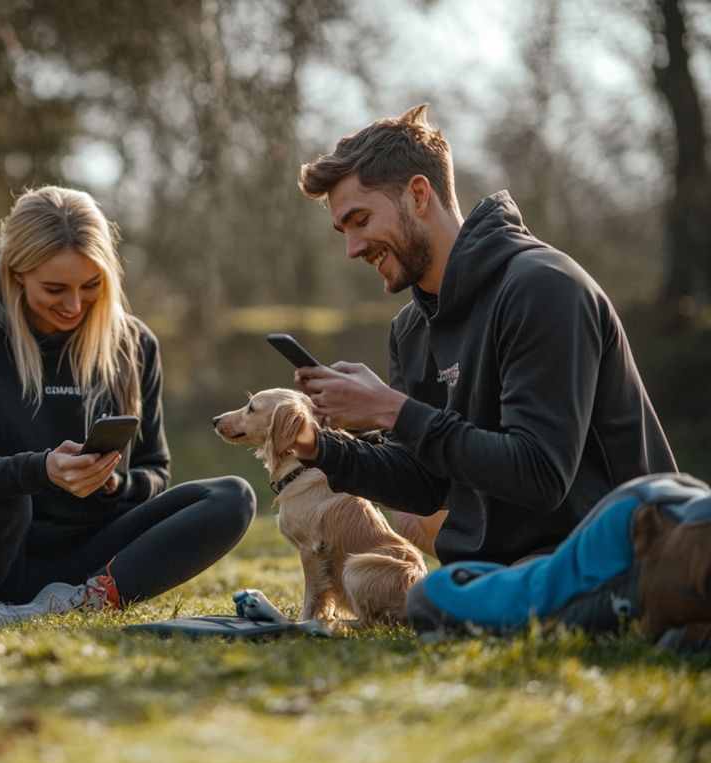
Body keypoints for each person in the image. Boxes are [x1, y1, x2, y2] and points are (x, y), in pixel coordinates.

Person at [289, 104, 676, 566]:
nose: (352, 248)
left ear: (417, 195)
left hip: (621, 561)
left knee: (436, 601)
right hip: (498, 571)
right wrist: (318, 445)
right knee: (437, 598)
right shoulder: (411, 330)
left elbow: (540, 474)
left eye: (361, 220)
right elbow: (426, 485)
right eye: (343, 231)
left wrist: (391, 409)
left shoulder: (543, 287)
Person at [0, 186, 256, 625]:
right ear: (16, 274)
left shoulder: (134, 344)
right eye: (54, 289)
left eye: (91, 286)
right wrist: (41, 470)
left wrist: (114, 485)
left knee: (230, 497)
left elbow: (155, 470)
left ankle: (74, 601)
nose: (74, 305)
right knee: (9, 499)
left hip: (82, 558)